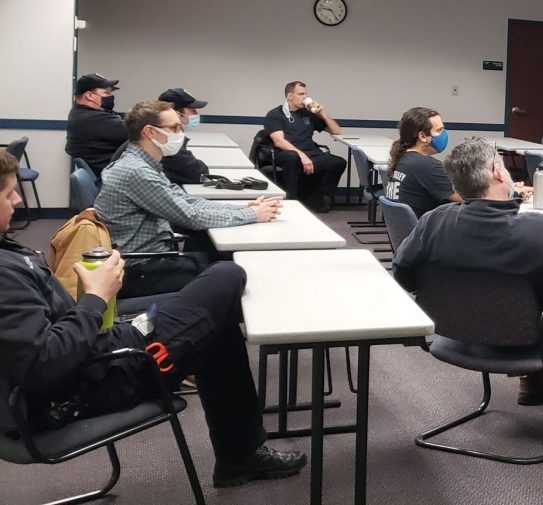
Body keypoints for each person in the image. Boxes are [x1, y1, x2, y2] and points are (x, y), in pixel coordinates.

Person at [0, 150, 307, 488]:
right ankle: (241, 453)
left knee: (214, 316)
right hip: (95, 379)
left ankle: (241, 454)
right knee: (226, 275)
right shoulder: (4, 274)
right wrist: (96, 298)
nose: (18, 200)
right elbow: (42, 364)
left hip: (94, 353)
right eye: (8, 193)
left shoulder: (8, 254)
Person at [392, 139, 543, 405]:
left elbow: (402, 272)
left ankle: (534, 380)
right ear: (497, 172)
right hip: (532, 338)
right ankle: (533, 377)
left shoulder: (432, 222)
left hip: (459, 333)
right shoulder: (540, 230)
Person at [95, 101, 281, 298]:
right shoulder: (137, 172)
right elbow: (190, 216)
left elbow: (187, 201)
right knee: (230, 278)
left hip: (151, 259)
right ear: (150, 132)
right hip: (141, 270)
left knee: (222, 262)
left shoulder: (143, 164)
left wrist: (243, 209)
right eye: (174, 128)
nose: (180, 133)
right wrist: (251, 215)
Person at [262, 81, 346, 212]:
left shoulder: (307, 114)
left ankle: (319, 199)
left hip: (310, 152)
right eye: (301, 94)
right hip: (285, 152)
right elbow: (279, 141)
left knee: (338, 162)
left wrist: (321, 113)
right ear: (290, 96)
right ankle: (292, 199)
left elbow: (337, 131)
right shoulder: (275, 114)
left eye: (306, 94)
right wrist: (301, 155)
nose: (305, 97)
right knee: (292, 157)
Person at [110, 88, 210, 185]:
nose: (197, 114)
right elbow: (197, 173)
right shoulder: (163, 142)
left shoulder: (150, 139)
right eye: (192, 110)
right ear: (175, 113)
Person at [384, 107, 460, 218]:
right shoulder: (428, 166)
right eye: (439, 130)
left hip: (407, 227)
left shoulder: (402, 158)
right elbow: (465, 199)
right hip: (426, 227)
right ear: (423, 136)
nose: (443, 134)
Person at [65, 73, 128, 178]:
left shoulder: (83, 112)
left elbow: (122, 117)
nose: (111, 96)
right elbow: (134, 129)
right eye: (106, 93)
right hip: (112, 179)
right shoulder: (90, 118)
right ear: (89, 96)